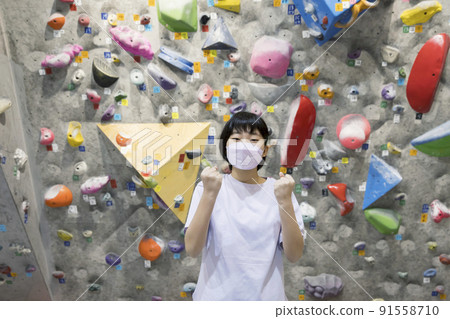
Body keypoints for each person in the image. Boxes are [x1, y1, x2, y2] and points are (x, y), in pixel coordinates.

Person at [184, 111, 306, 301]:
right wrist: (209, 194)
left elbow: (295, 254)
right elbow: (192, 249)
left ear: (265, 150)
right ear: (226, 146)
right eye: (236, 139)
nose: (244, 146)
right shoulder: (208, 186)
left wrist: (284, 202)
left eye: (253, 139)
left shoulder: (281, 190)